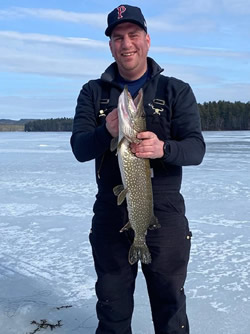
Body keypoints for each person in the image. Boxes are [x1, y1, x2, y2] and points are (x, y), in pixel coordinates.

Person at [71, 4, 205, 334]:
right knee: (112, 307)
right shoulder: (93, 92)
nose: (126, 44)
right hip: (111, 212)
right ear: (111, 45)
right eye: (118, 37)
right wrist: (107, 132)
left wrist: (164, 148)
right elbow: (80, 148)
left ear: (146, 40)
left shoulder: (176, 90)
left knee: (169, 303)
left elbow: (196, 149)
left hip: (165, 212)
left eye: (133, 35)